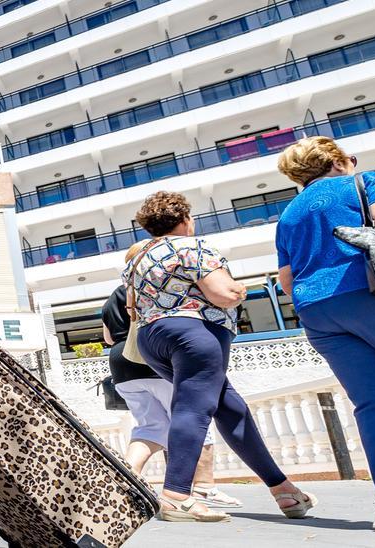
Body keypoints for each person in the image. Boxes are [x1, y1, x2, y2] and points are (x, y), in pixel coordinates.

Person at [125, 191, 315, 523]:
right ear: (185, 220)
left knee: (230, 408)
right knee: (193, 408)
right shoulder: (194, 247)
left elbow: (131, 307)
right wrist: (240, 290)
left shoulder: (139, 258)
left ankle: (283, 489)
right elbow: (223, 295)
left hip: (151, 337)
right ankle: (176, 495)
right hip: (195, 332)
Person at [276, 136, 375, 532]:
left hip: (317, 311)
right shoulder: (367, 181)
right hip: (367, 291)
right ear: (338, 161)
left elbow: (286, 280)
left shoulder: (289, 215)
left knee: (372, 404)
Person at [102, 240, 241, 509]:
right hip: (149, 358)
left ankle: (125, 480)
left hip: (121, 363)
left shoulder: (113, 296)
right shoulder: (150, 286)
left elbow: (108, 338)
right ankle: (204, 487)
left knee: (149, 426)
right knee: (193, 416)